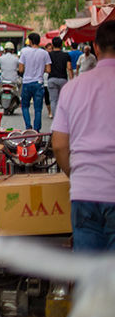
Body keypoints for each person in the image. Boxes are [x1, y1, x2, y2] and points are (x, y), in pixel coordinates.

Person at [52, 19, 115, 251]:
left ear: (96, 49)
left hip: (85, 191)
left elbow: (59, 145)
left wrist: (76, 173)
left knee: (91, 279)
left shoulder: (73, 88)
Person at [18, 32, 51, 131]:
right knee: (38, 109)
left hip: (27, 83)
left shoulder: (24, 52)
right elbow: (48, 70)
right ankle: (37, 130)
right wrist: (41, 69)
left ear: (31, 41)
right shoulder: (45, 53)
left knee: (25, 106)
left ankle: (28, 127)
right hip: (39, 83)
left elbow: (20, 69)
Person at [47, 37, 73, 117]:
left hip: (52, 79)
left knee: (53, 100)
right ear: (61, 45)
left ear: (52, 45)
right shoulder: (66, 55)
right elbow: (69, 67)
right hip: (63, 79)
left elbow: (47, 68)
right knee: (63, 100)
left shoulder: (49, 55)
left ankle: (55, 119)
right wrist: (72, 80)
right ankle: (62, 117)